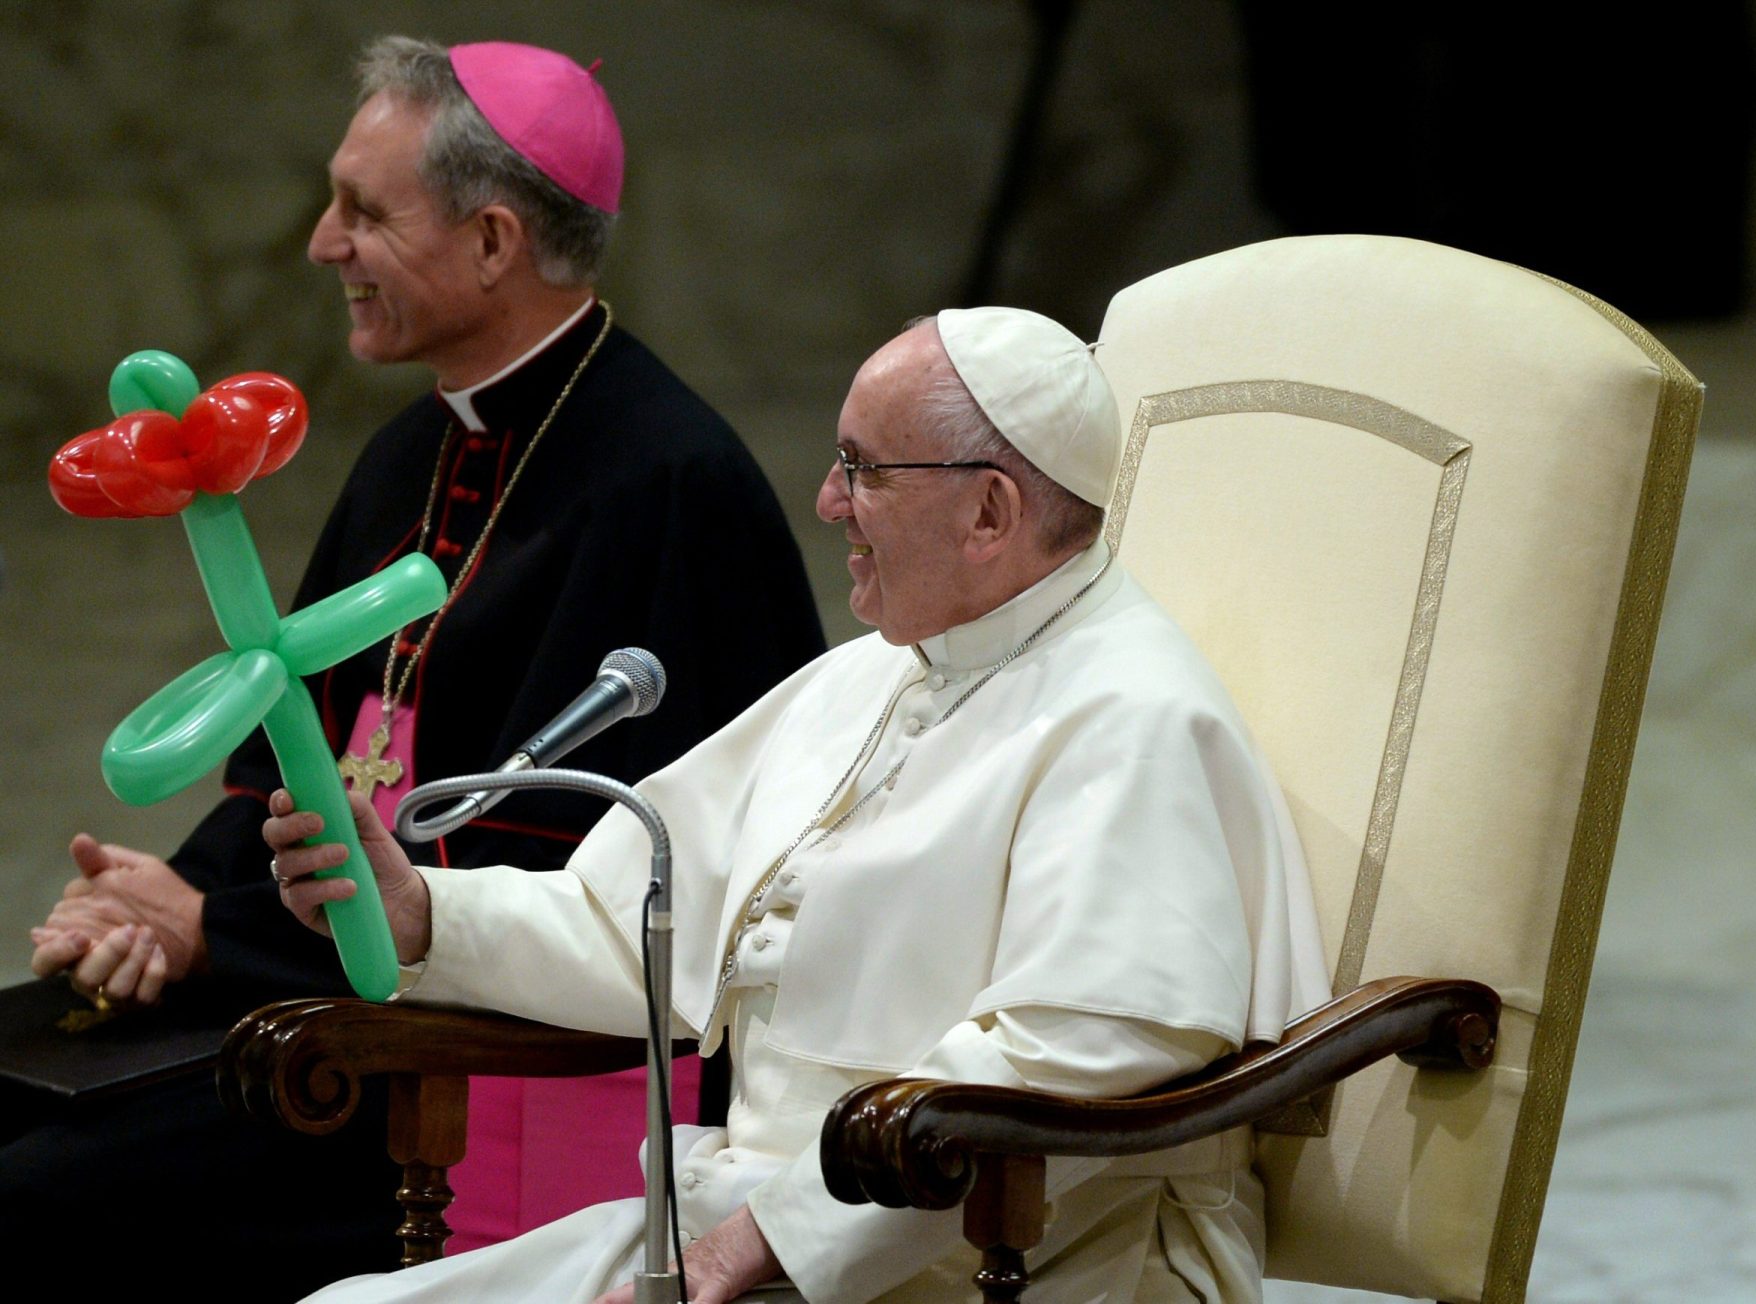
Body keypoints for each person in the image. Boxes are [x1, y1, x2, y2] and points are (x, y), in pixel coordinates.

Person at [269, 307, 1330, 1303]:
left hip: (994, 1268)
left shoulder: (1135, 716)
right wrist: (422, 912)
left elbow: (1071, 1051)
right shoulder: (870, 675)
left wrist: (759, 1241)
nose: (827, 499)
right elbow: (637, 920)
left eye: (863, 469)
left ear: (991, 511)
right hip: (737, 1238)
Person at [5, 35, 822, 1297]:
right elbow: (305, 755)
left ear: (494, 242)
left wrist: (214, 932)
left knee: (45, 1196)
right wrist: (161, 898)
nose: (323, 243)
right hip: (333, 1006)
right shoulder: (408, 453)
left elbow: (592, 900)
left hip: (463, 1081)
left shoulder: (671, 489)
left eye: (363, 211)